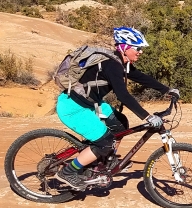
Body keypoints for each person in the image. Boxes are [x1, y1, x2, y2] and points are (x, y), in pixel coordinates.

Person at [54, 26, 179, 190]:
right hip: (74, 107)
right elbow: (123, 95)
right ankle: (68, 172)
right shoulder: (112, 65)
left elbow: (141, 77)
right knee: (104, 142)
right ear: (125, 48)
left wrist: (166, 90)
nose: (140, 52)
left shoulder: (121, 63)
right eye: (137, 48)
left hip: (92, 104)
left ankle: (105, 162)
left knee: (120, 123)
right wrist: (147, 117)